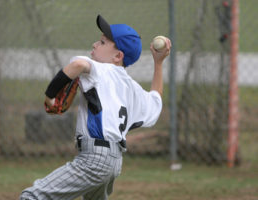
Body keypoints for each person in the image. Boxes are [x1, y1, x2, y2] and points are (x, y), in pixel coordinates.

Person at [20, 14, 171, 200]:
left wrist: (50, 96)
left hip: (94, 159)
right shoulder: (133, 88)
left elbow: (77, 64)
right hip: (114, 162)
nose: (94, 44)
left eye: (102, 42)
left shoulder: (100, 69)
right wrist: (158, 63)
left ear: (118, 56)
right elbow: (156, 99)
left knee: (31, 197)